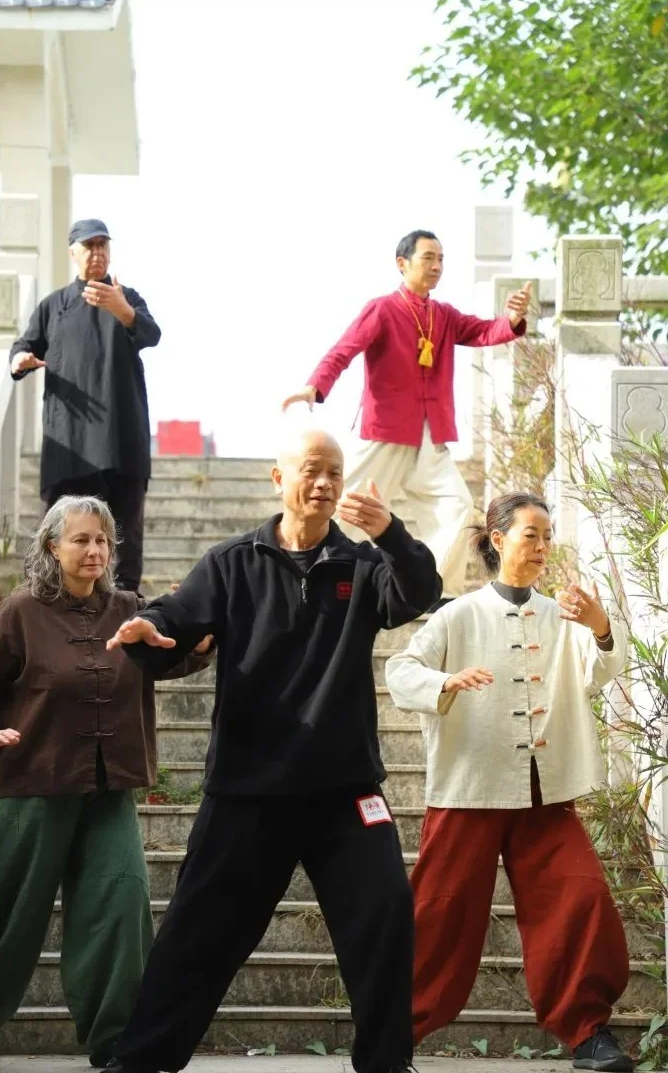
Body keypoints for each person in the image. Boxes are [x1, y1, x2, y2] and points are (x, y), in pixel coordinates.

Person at [99, 428, 441, 1073]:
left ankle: (387, 1064)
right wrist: (148, 632)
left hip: (345, 794)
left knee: (387, 912)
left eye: (334, 473)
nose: (324, 484)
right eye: (311, 470)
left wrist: (392, 533)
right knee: (197, 935)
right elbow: (176, 620)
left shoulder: (364, 567)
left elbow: (419, 590)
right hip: (248, 792)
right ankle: (141, 1062)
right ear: (278, 479)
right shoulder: (233, 562)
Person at [0, 496, 213, 1070]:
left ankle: (119, 1041)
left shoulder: (128, 608)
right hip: (30, 790)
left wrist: (208, 632)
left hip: (107, 790)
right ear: (52, 547)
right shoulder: (20, 612)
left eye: (103, 541)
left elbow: (171, 655)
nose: (94, 551)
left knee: (120, 905)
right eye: (80, 540)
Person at [385, 492, 634, 1072]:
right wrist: (446, 682)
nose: (543, 547)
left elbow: (598, 672)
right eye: (531, 534)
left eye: (548, 536)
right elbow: (401, 670)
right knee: (440, 912)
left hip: (545, 792)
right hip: (469, 786)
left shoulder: (560, 615)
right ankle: (393, 1031)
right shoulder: (458, 615)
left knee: (581, 896)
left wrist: (599, 627)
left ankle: (588, 1032)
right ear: (498, 539)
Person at [282, 229, 532, 607]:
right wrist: (314, 387)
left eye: (441, 259)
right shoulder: (382, 308)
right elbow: (345, 349)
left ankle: (432, 588)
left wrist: (511, 319)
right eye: (428, 258)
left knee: (457, 507)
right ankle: (297, 570)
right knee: (340, 504)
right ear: (402, 264)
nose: (436, 266)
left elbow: (484, 331)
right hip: (385, 429)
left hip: (431, 436)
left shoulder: (443, 315)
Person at [9, 218, 161, 592]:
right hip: (70, 440)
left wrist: (122, 309)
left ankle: (125, 606)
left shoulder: (127, 297)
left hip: (121, 438)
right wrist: (20, 360)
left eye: (103, 245)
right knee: (59, 531)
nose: (97, 253)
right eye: (89, 246)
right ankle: (46, 602)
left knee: (124, 534)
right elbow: (23, 346)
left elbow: (151, 333)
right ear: (73, 252)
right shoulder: (54, 305)